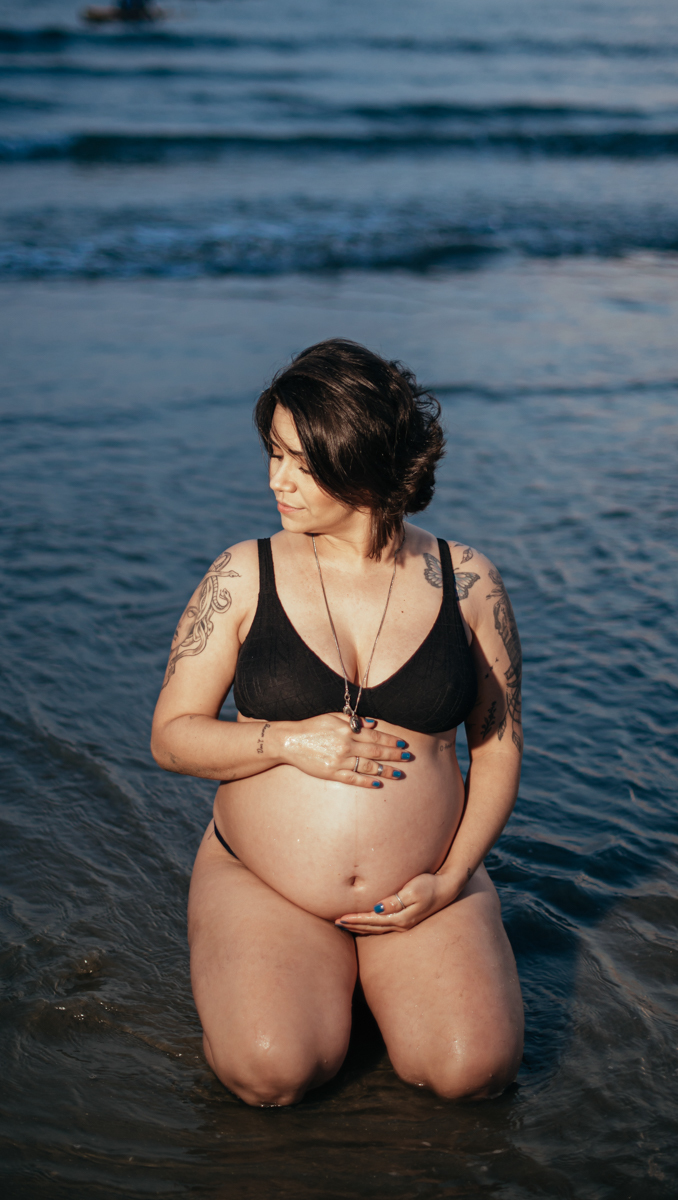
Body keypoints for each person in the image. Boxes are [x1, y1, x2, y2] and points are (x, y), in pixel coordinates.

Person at [151, 339, 525, 1106]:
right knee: (273, 1072)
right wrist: (287, 739)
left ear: (357, 457)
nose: (273, 479)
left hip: (422, 887)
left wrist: (448, 879)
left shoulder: (468, 582)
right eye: (272, 454)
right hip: (264, 883)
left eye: (297, 460)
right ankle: (304, 980)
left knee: (472, 1072)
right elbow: (172, 737)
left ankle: (366, 982)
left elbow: (497, 749)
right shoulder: (240, 573)